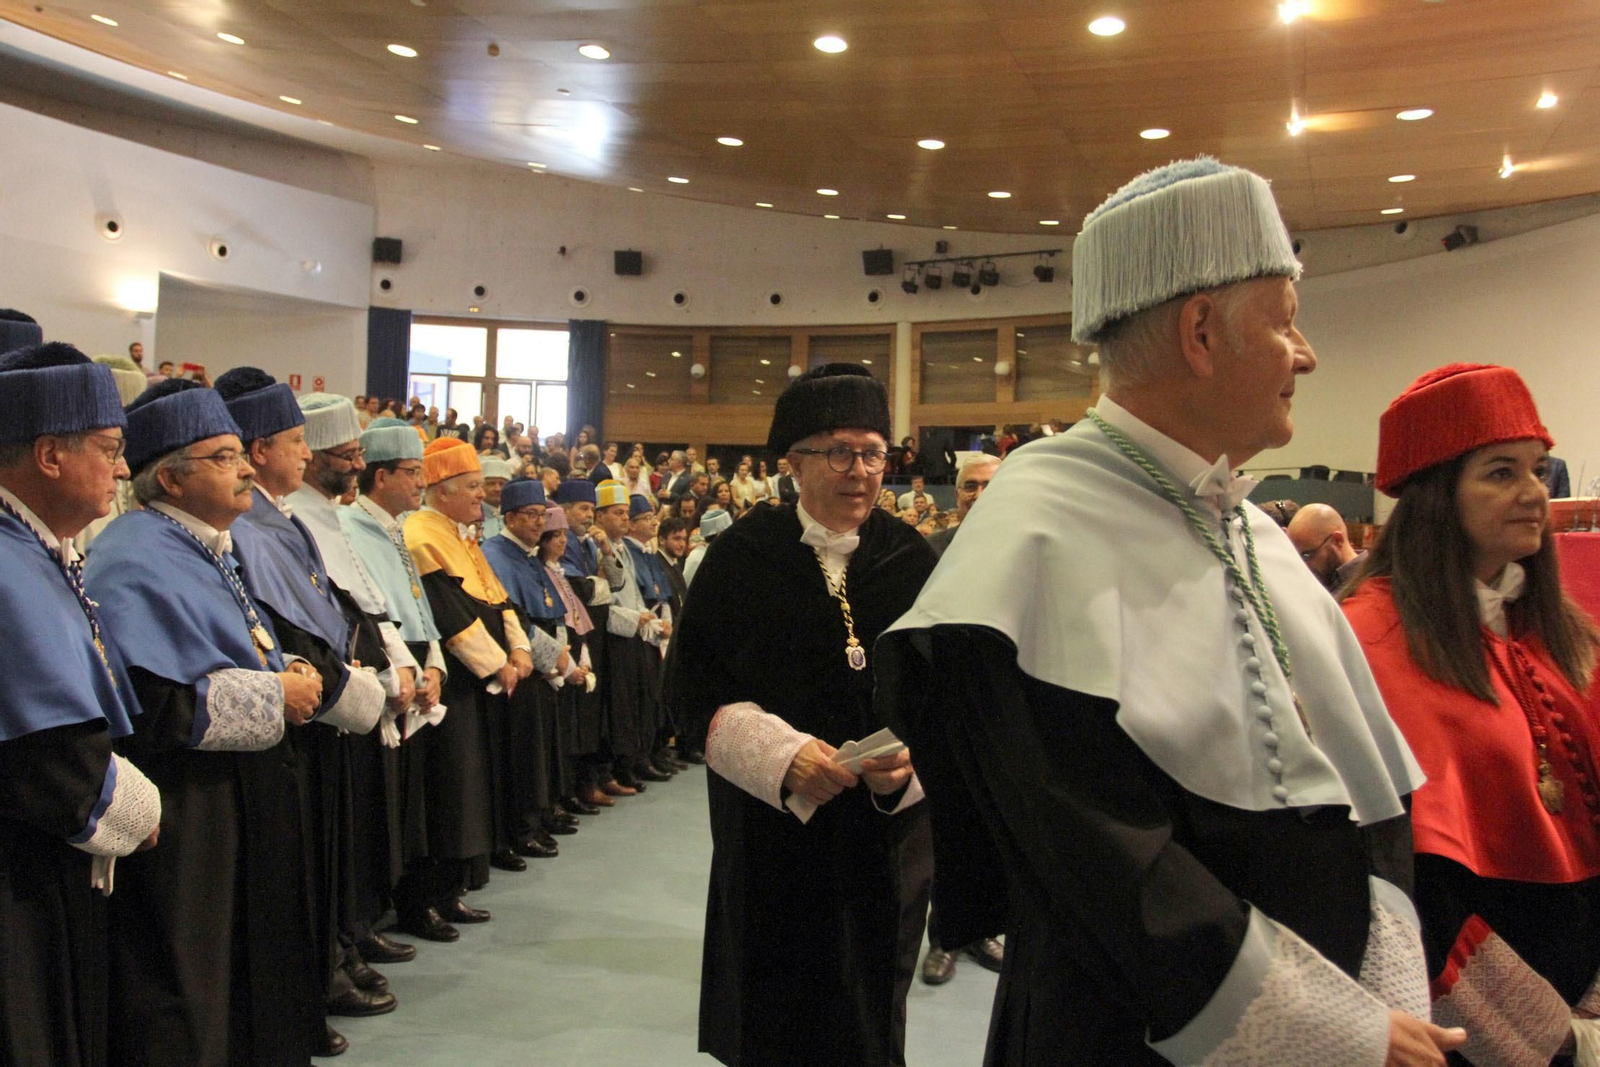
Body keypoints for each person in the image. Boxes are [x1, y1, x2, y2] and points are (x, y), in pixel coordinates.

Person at [875, 158, 1453, 1066]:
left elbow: (1357, 788)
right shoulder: (1035, 533)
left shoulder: (1251, 529)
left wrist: (1384, 987)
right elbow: (1100, 861)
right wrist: (1336, 1030)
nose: (1305, 354)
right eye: (1285, 320)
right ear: (1201, 332)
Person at [663, 364, 936, 1067]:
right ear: (794, 462)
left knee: (873, 1011)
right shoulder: (740, 557)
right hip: (774, 834)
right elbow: (691, 694)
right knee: (778, 1012)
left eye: (873, 453)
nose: (861, 472)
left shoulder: (912, 558)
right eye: (840, 452)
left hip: (884, 838)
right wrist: (783, 759)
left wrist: (908, 765)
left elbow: (948, 695)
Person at [1343, 364, 1600, 1065]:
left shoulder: (1560, 635)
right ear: (1435, 495)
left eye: (1538, 469)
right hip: (1471, 1021)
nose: (1534, 493)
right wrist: (1555, 1041)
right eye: (1501, 472)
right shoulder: (1373, 637)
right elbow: (1407, 883)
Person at [85, 379, 328, 1064]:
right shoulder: (135, 556)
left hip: (236, 797)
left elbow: (237, 642)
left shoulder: (201, 542)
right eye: (224, 457)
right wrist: (275, 697)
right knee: (191, 983)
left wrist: (287, 671)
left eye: (240, 454)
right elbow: (153, 702)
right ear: (170, 477)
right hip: (190, 810)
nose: (247, 468)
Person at [213, 370, 390, 1040]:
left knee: (326, 853)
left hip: (322, 702)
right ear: (260, 450)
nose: (306, 454)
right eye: (296, 441)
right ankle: (319, 974)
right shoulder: (249, 527)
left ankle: (336, 952)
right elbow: (285, 626)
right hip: (296, 711)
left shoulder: (280, 517)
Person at [0, 341, 161, 1066]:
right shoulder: (10, 565)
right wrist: (140, 809)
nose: (123, 470)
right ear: (48, 455)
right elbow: (47, 754)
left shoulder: (32, 548)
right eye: (109, 448)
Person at [288, 394, 426, 998]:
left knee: (361, 829)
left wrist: (403, 666)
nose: (356, 465)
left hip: (370, 684)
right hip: (336, 696)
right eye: (345, 455)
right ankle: (338, 947)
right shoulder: (291, 518)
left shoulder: (330, 514)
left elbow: (372, 604)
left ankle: (354, 931)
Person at [405, 438, 536, 910]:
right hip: (458, 685)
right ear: (442, 490)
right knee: (452, 788)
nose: (483, 495)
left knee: (476, 785)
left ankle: (460, 882)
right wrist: (497, 663)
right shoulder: (421, 535)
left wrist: (520, 650)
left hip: (488, 682)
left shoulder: (462, 536)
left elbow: (500, 601)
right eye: (474, 486)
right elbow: (451, 615)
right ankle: (437, 892)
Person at [339, 421, 451, 947]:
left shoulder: (396, 528)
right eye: (411, 472)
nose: (420, 483)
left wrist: (435, 667)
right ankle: (367, 919)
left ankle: (412, 901)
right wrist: (404, 669)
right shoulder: (349, 527)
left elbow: (419, 609)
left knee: (415, 808)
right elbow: (371, 613)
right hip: (386, 677)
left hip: (418, 674)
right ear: (380, 476)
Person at [480, 478, 582, 857]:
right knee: (522, 754)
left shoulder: (528, 555)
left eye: (542, 515)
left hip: (544, 669)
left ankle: (539, 816)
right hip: (519, 668)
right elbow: (512, 619)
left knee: (542, 750)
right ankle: (520, 828)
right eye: (531, 515)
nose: (540, 522)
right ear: (509, 517)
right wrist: (555, 658)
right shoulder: (495, 554)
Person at [595, 482, 673, 790]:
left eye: (626, 513)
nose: (624, 519)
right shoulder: (598, 547)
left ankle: (637, 759)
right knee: (621, 707)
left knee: (639, 703)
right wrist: (635, 618)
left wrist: (648, 619)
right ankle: (620, 766)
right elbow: (603, 600)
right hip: (614, 635)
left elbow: (634, 596)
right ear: (600, 517)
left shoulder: (622, 549)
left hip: (635, 631)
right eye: (618, 513)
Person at [924, 454, 1000, 559]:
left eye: (990, 486)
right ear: (957, 495)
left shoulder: (1022, 548)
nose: (979, 495)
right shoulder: (930, 548)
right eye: (970, 487)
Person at [1288, 502, 1366, 592]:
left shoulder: (1370, 582)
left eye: (1307, 555)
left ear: (1337, 540)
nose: (1303, 565)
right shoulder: (1324, 579)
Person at [479, 455, 512, 540]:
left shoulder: (512, 515)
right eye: (491, 484)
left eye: (502, 484)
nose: (497, 489)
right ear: (480, 486)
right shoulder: (472, 517)